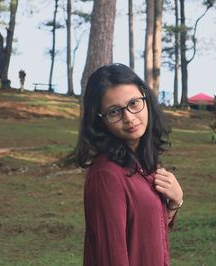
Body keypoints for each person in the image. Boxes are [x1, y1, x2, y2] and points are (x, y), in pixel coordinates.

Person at [78, 63, 183, 266]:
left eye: (134, 103)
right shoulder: (106, 174)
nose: (129, 118)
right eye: (114, 112)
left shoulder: (141, 162)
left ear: (146, 98)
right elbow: (112, 256)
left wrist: (175, 202)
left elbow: (147, 233)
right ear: (101, 121)